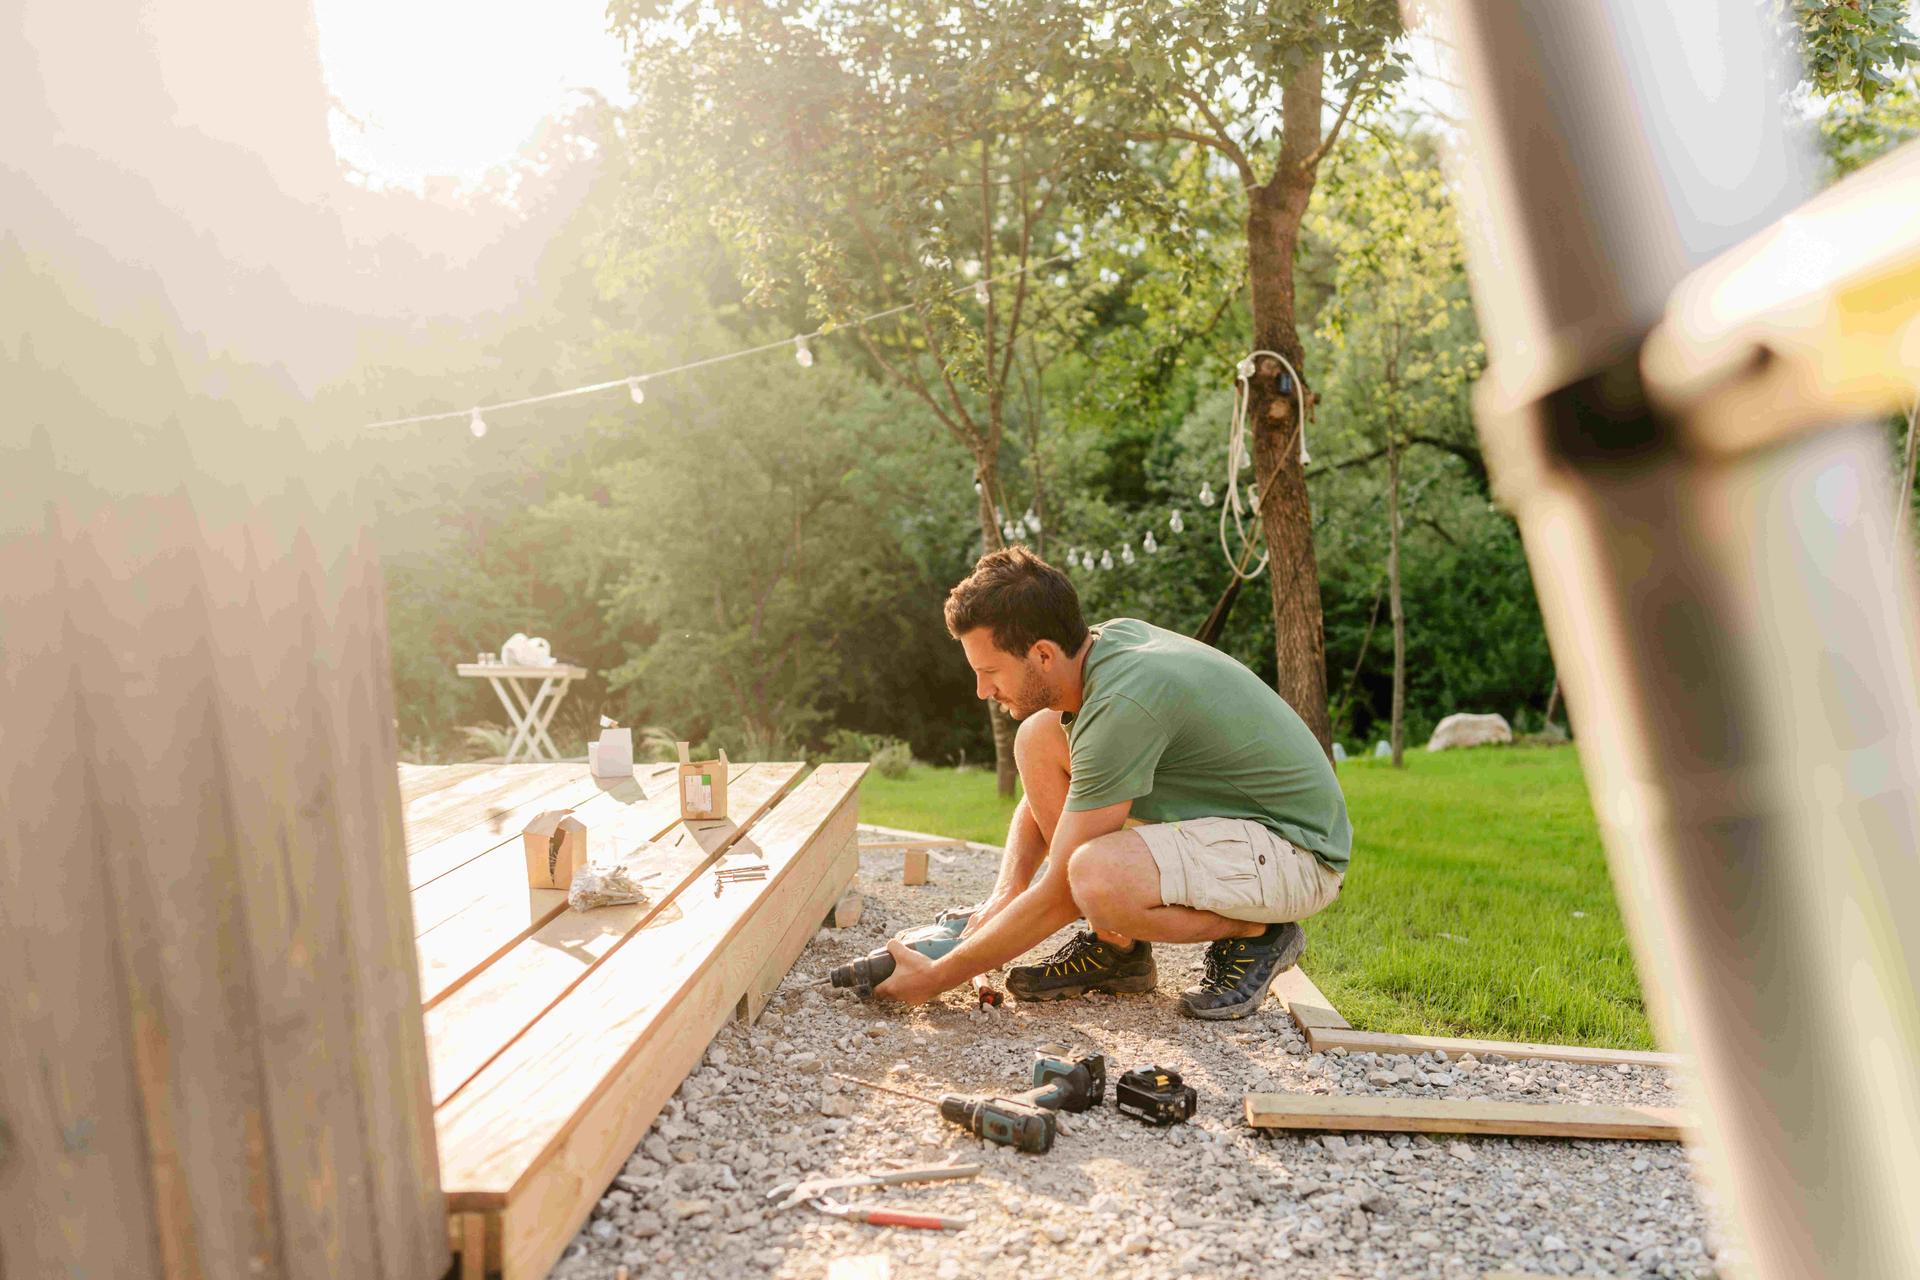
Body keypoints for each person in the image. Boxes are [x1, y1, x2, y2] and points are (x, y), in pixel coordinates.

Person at [874, 546, 1352, 1019]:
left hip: (1298, 852)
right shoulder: (1100, 653)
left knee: (1095, 877)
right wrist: (1006, 894)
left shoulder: (1121, 704)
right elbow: (1063, 791)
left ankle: (1259, 932)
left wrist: (938, 977)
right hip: (1246, 833)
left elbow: (1063, 892)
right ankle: (1117, 952)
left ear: (1042, 654)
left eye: (989, 672)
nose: (982, 691)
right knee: (1037, 738)